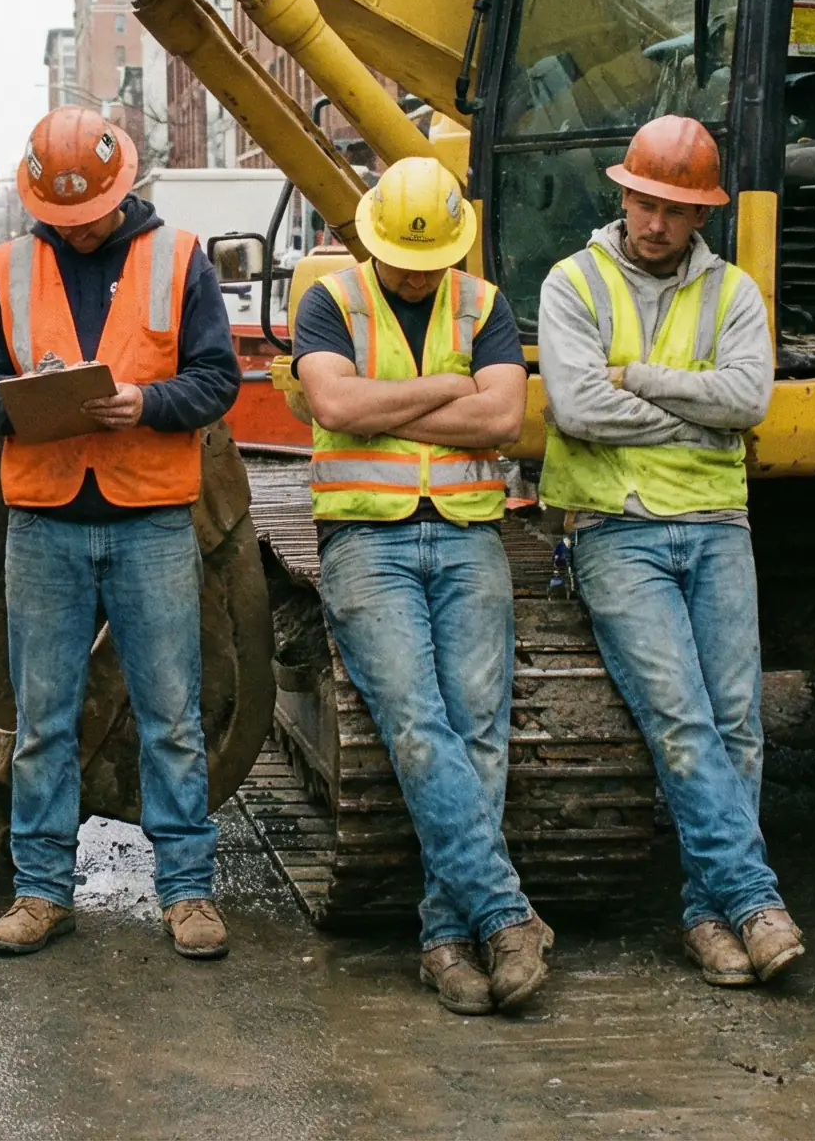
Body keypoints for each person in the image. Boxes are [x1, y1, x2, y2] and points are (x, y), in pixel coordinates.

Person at [0, 106, 242, 961]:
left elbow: (217, 378)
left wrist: (145, 405)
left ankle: (187, 892)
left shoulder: (180, 260)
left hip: (150, 518)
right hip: (44, 522)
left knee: (170, 715)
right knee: (43, 718)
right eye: (60, 218)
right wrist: (20, 406)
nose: (76, 231)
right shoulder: (5, 269)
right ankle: (42, 892)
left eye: (89, 215)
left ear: (122, 191)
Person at [537, 115, 800, 988]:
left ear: (702, 216)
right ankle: (754, 900)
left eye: (676, 211)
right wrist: (699, 422)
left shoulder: (735, 295)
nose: (656, 224)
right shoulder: (573, 283)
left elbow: (750, 398)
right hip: (616, 525)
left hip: (720, 524)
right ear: (624, 194)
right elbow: (577, 411)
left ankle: (706, 913)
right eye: (646, 203)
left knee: (738, 727)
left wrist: (640, 379)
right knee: (681, 720)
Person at [293, 155, 548, 1015]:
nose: (416, 273)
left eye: (431, 260)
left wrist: (390, 400)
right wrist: (448, 387)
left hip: (471, 532)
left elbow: (504, 418)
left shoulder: (482, 302)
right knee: (415, 724)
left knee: (478, 730)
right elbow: (336, 408)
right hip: (367, 538)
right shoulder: (332, 301)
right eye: (404, 259)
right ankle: (507, 916)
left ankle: (445, 937)